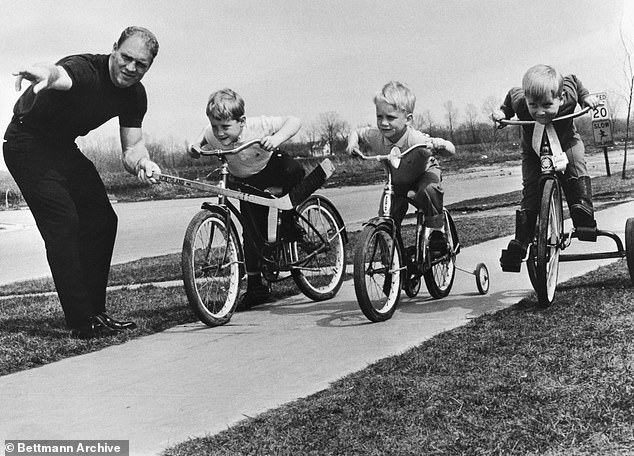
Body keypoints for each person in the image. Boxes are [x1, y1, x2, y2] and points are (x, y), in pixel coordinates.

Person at [3, 26, 162, 339]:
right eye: (126, 57)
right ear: (114, 48)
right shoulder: (86, 70)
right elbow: (59, 74)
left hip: (62, 147)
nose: (131, 68)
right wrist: (42, 73)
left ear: (148, 67)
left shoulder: (134, 94)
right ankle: (81, 322)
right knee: (64, 222)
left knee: (103, 220)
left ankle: (96, 314)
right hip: (27, 143)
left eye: (141, 64)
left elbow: (132, 148)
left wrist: (143, 162)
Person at [188, 88, 305, 310]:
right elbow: (203, 136)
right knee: (250, 233)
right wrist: (195, 146)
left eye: (225, 127)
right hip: (246, 181)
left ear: (241, 121)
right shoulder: (213, 133)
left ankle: (290, 222)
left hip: (270, 168)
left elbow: (294, 121)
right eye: (216, 126)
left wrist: (276, 138)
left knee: (294, 170)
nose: (219, 133)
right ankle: (255, 287)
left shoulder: (257, 125)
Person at [492, 64, 600, 272]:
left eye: (547, 105)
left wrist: (585, 97)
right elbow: (510, 96)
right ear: (526, 100)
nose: (540, 112)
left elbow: (574, 80)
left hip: (566, 142)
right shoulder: (521, 102)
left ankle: (583, 210)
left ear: (560, 98)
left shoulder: (567, 95)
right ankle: (521, 241)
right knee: (531, 188)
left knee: (576, 164)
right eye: (534, 105)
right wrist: (502, 113)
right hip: (534, 152)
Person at [346, 81, 455, 251]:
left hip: (423, 174)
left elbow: (451, 150)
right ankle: (391, 260)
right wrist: (352, 145)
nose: (383, 123)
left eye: (390, 117)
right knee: (386, 217)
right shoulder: (376, 136)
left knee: (429, 190)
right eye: (379, 116)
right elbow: (357, 133)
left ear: (408, 119)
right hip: (397, 182)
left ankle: (436, 231)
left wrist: (439, 145)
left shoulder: (416, 139)